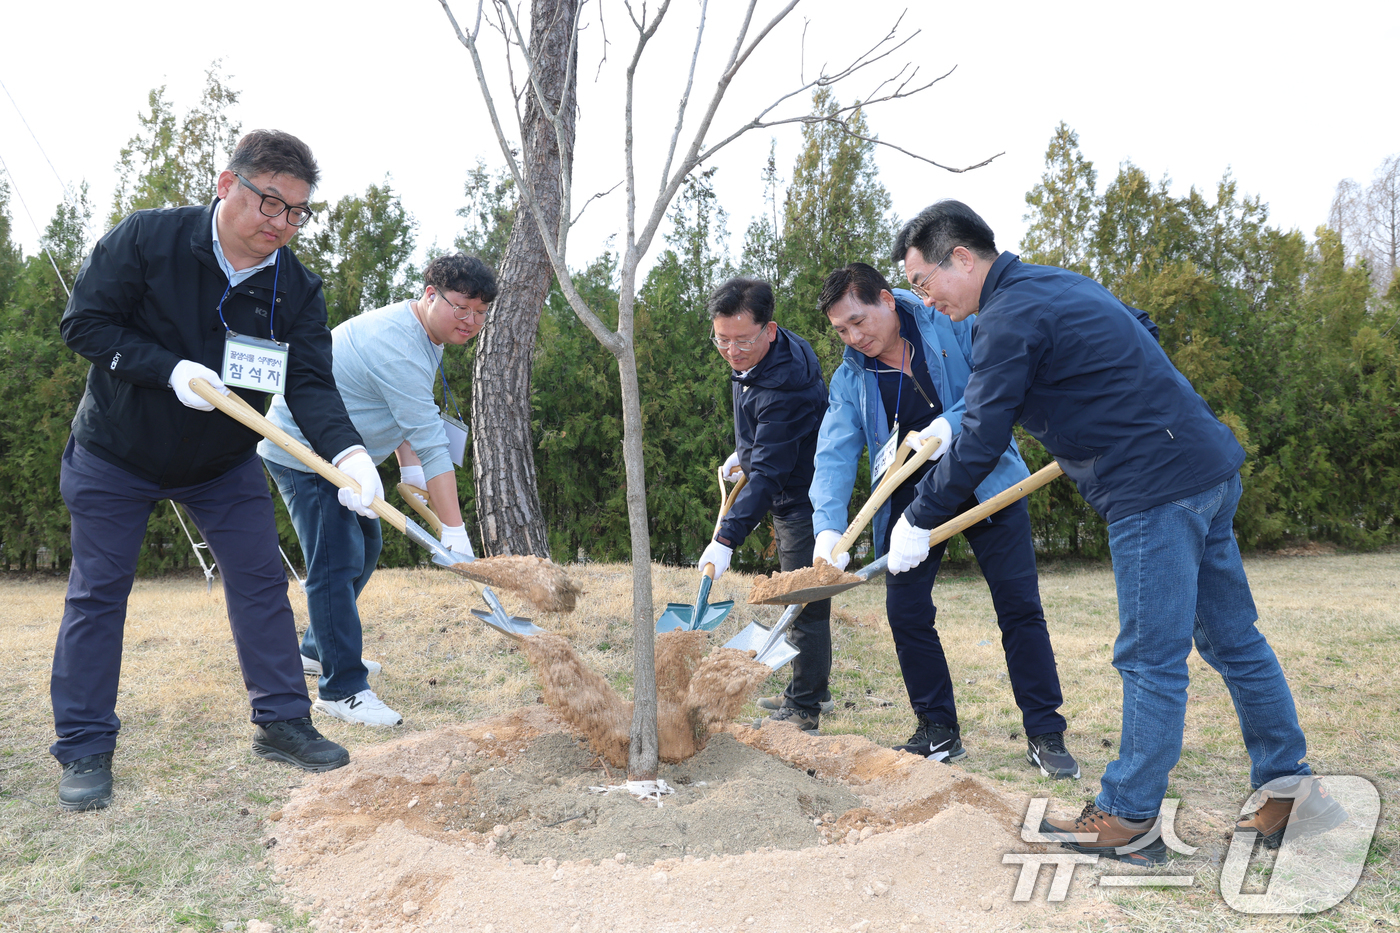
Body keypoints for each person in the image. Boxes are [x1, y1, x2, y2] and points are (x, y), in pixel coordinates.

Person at [890, 200, 1340, 864]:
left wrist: (919, 516)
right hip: (1202, 468)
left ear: (960, 257)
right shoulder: (1054, 283)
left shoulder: (1007, 316)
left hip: (1154, 489)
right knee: (1233, 641)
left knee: (1150, 657)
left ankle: (1129, 818)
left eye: (926, 283)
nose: (927, 301)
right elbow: (1139, 328)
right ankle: (1290, 791)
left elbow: (986, 437)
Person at [53, 129, 384, 811]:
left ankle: (282, 722)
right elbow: (83, 324)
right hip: (116, 452)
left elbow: (312, 387)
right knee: (98, 593)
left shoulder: (294, 288)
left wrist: (350, 455)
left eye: (296, 212)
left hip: (221, 463)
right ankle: (84, 744)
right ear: (226, 184)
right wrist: (165, 367)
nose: (280, 224)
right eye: (269, 202)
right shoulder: (148, 240)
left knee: (262, 583)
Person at [810, 262, 1078, 777]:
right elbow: (835, 453)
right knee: (906, 613)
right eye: (842, 330)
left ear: (888, 300)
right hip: (910, 499)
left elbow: (997, 379)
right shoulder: (850, 379)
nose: (855, 336)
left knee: (1019, 607)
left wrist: (952, 423)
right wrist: (828, 527)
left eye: (860, 321)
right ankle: (938, 730)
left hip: (984, 475)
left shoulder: (950, 321)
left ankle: (1045, 732)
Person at [260, 253, 496, 727]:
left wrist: (408, 471)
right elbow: (431, 439)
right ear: (430, 296)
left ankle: (315, 650)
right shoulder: (399, 344)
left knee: (366, 548)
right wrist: (455, 530)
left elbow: (404, 411)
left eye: (480, 312)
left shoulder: (425, 333)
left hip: (344, 459)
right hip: (304, 453)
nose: (470, 321)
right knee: (336, 561)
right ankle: (342, 689)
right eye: (461, 308)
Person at [700, 278, 831, 733]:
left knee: (803, 600)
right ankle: (810, 686)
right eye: (722, 339)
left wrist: (725, 539)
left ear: (769, 330)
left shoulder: (785, 384)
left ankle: (806, 706)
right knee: (798, 598)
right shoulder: (759, 356)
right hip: (783, 475)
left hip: (802, 498)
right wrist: (747, 452)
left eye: (742, 341)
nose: (732, 351)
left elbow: (772, 473)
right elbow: (763, 429)